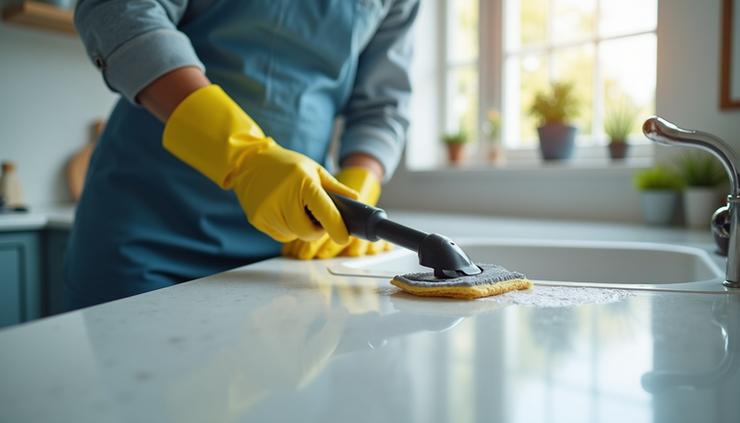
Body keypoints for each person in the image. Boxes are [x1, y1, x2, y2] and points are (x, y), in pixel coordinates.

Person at [64, 0, 419, 310]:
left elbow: (382, 105)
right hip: (147, 229)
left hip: (291, 246)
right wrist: (243, 155)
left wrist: (358, 183)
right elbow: (120, 10)